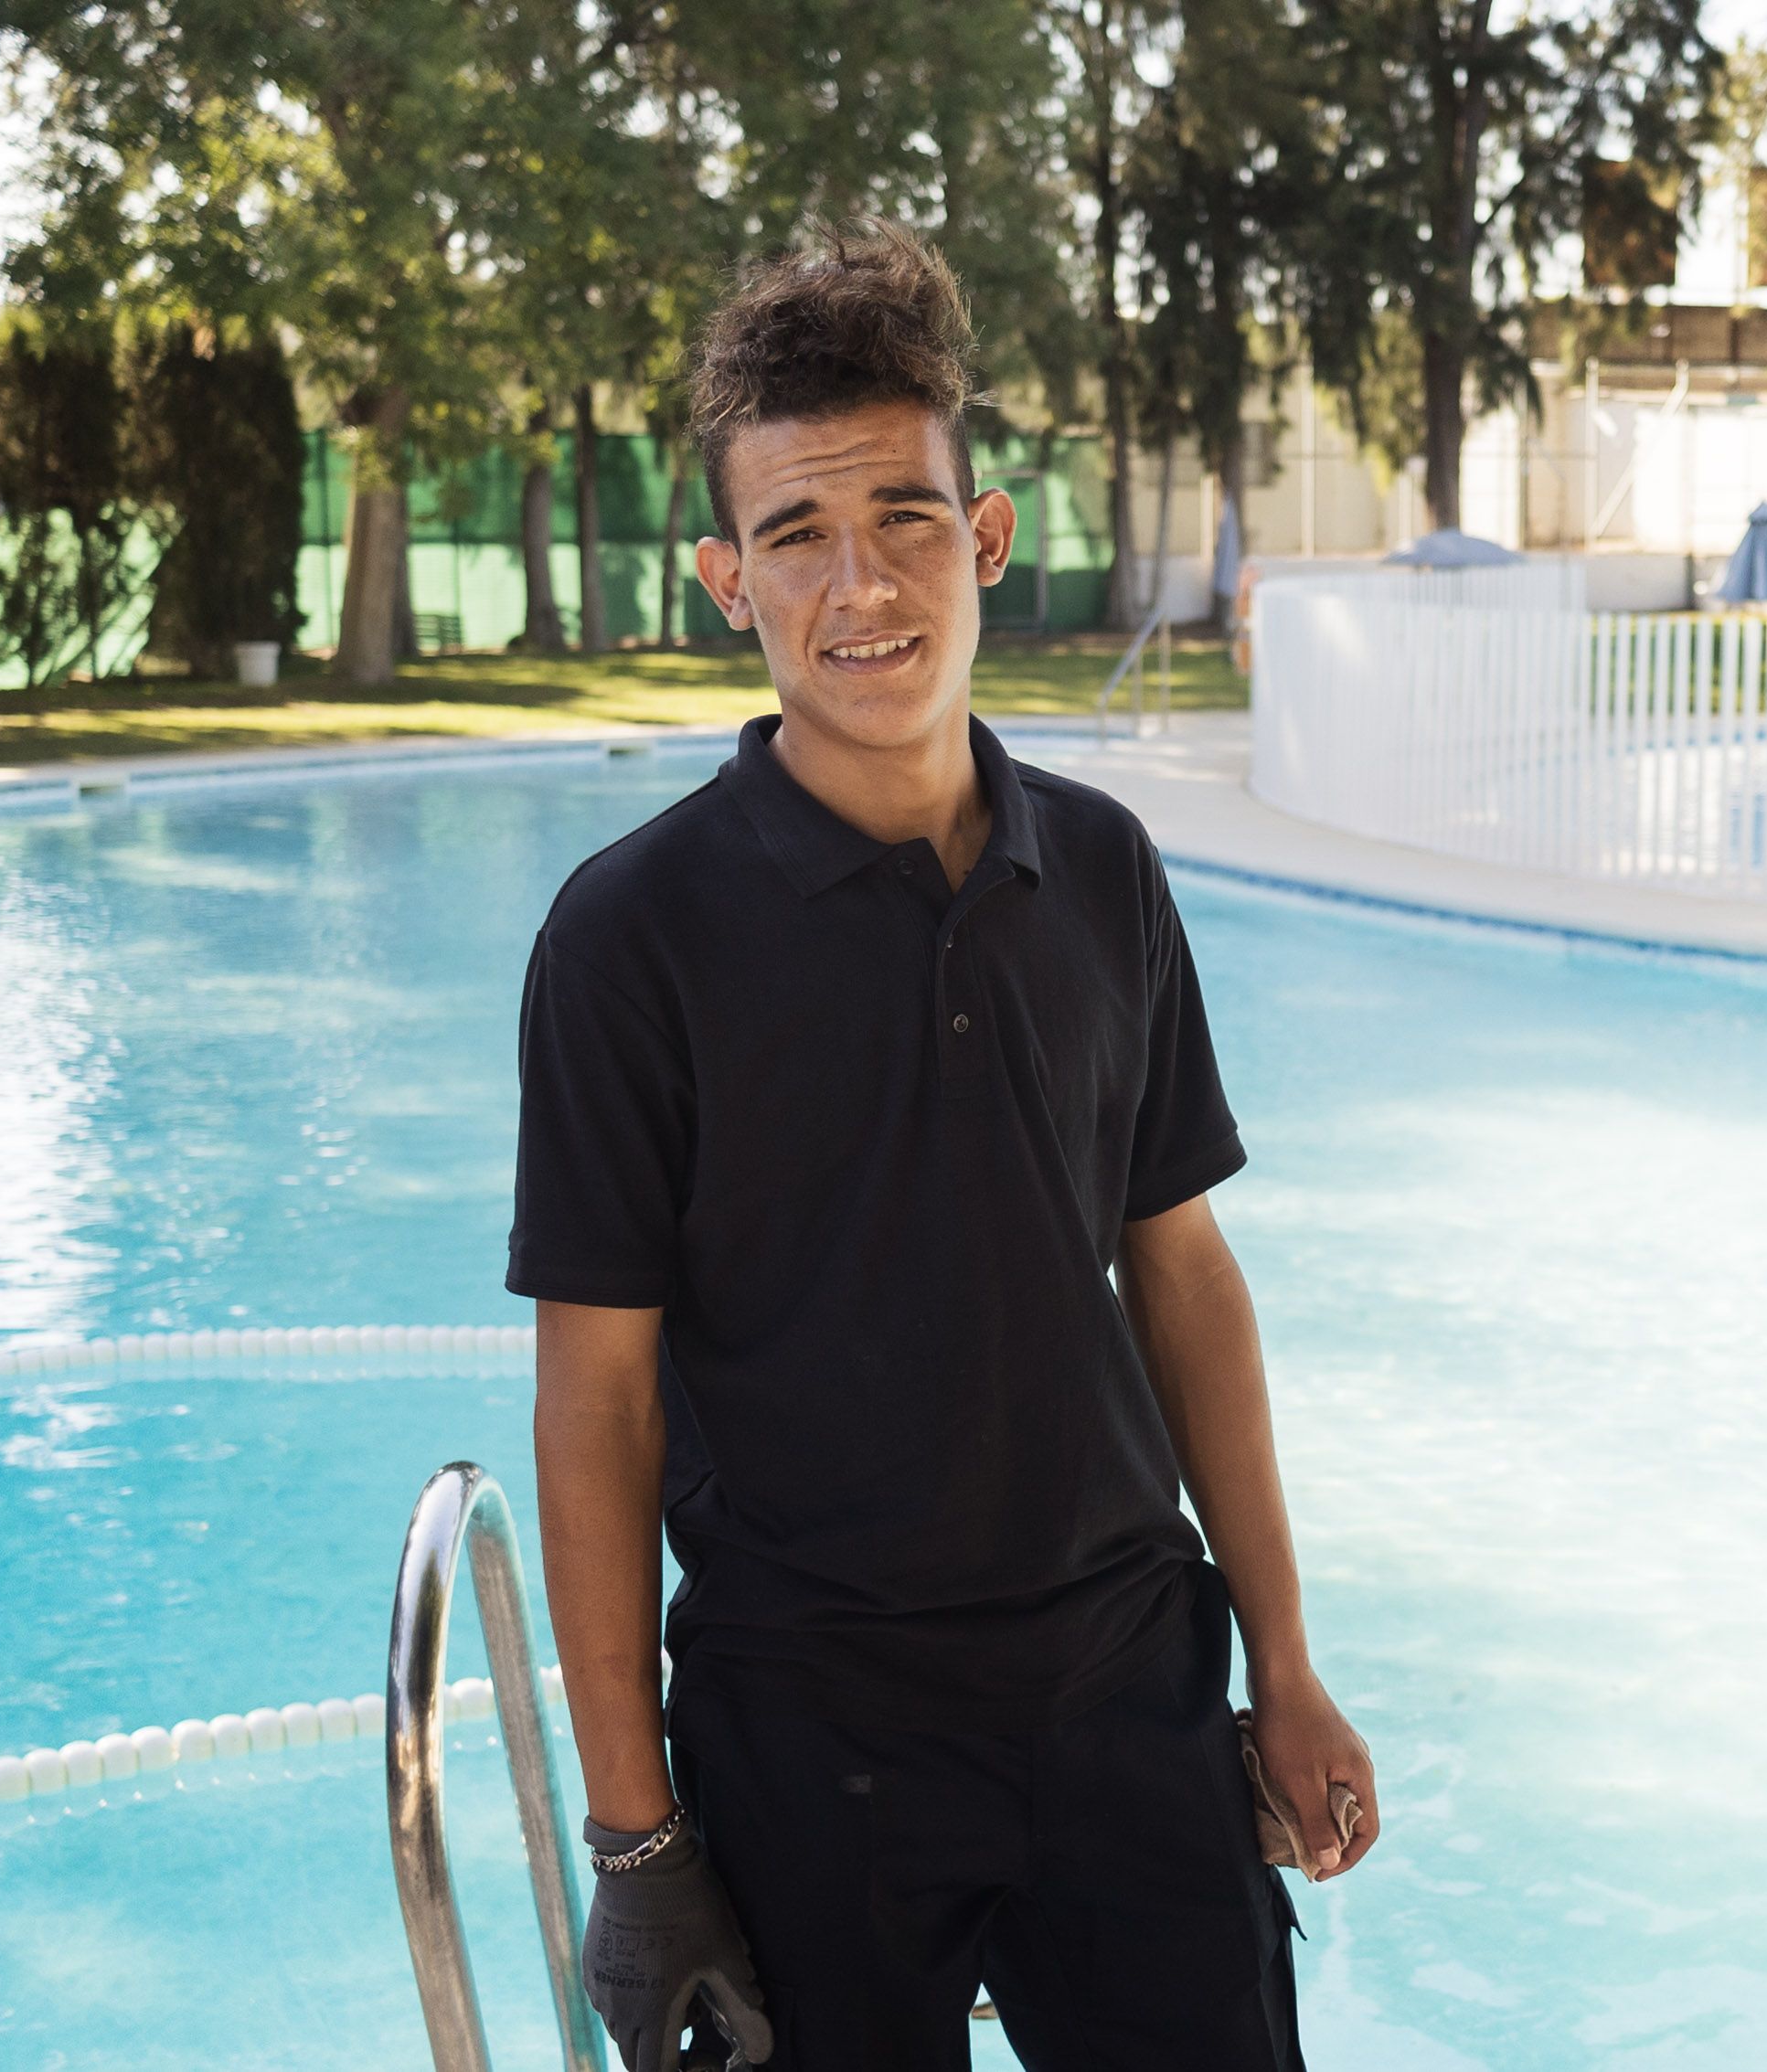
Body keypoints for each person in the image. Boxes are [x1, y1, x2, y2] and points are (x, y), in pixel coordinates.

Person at [506, 220, 1377, 2072]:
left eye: (903, 517)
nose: (860, 584)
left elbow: (1183, 1276)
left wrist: (1283, 1666)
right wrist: (636, 1836)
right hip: (804, 1741)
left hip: (1130, 1697)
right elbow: (597, 1397)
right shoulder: (630, 936)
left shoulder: (1105, 868)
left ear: (983, 539)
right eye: (796, 535)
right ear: (726, 582)